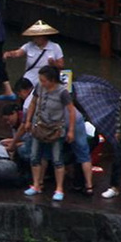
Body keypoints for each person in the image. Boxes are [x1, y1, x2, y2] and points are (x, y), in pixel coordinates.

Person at [24, 66, 76, 201]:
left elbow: (71, 111)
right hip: (39, 125)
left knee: (57, 159)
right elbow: (33, 103)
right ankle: (36, 184)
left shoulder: (62, 92)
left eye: (44, 80)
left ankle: (59, 188)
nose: (42, 83)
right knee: (34, 156)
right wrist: (28, 120)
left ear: (52, 80)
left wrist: (71, 130)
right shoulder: (39, 87)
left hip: (55, 128)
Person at [3, 20, 64, 87]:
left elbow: (61, 66)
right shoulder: (29, 45)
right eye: (34, 37)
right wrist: (8, 54)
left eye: (37, 37)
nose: (35, 39)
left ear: (44, 36)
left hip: (47, 78)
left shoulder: (55, 47)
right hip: (30, 77)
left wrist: (53, 63)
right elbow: (18, 53)